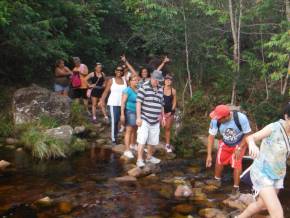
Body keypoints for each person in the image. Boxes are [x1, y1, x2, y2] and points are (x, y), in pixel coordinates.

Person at [235, 104, 290, 218]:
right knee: (278, 213)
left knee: (261, 204)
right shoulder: (274, 128)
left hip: (278, 174)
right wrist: (252, 145)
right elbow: (251, 137)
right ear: (286, 117)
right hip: (262, 173)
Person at [205, 105, 251, 193]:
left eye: (219, 119)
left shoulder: (241, 118)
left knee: (237, 163)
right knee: (219, 160)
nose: (217, 120)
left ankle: (236, 187)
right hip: (225, 142)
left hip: (240, 142)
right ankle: (217, 180)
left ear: (227, 116)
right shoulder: (215, 120)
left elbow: (247, 134)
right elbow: (211, 137)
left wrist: (240, 147)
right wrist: (209, 155)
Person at [136, 70, 165, 167]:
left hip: (155, 120)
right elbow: (138, 103)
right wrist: (138, 118)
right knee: (142, 139)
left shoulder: (161, 89)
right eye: (156, 80)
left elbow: (161, 104)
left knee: (153, 140)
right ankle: (139, 159)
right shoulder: (144, 87)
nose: (158, 82)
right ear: (152, 78)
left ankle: (149, 157)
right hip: (145, 118)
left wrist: (163, 117)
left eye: (159, 81)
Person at [99, 66, 127, 145]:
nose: (119, 71)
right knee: (114, 121)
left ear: (123, 72)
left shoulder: (125, 81)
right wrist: (102, 100)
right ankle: (113, 139)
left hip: (122, 104)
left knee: (118, 121)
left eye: (121, 70)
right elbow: (106, 91)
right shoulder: (111, 80)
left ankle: (116, 135)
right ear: (115, 71)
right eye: (117, 70)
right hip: (113, 103)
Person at [120, 75, 139, 158]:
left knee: (135, 129)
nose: (136, 81)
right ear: (130, 81)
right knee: (129, 130)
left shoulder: (138, 90)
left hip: (137, 112)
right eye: (134, 80)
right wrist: (122, 114)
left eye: (137, 80)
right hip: (129, 111)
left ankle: (133, 145)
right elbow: (123, 103)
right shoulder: (127, 90)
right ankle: (127, 150)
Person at [162, 74, 177, 153]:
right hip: (160, 111)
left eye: (170, 80)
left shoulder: (173, 90)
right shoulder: (160, 89)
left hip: (170, 112)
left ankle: (167, 144)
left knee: (167, 128)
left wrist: (171, 112)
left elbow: (174, 102)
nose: (168, 81)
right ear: (164, 81)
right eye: (167, 79)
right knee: (157, 126)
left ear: (171, 81)